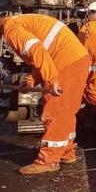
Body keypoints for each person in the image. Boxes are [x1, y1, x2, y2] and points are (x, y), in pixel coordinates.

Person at [0, 13, 90, 174]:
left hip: (66, 63)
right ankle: (66, 152)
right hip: (75, 60)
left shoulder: (11, 30)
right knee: (66, 111)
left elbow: (38, 51)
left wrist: (52, 80)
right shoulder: (19, 22)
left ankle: (48, 161)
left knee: (56, 112)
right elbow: (45, 53)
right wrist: (31, 81)